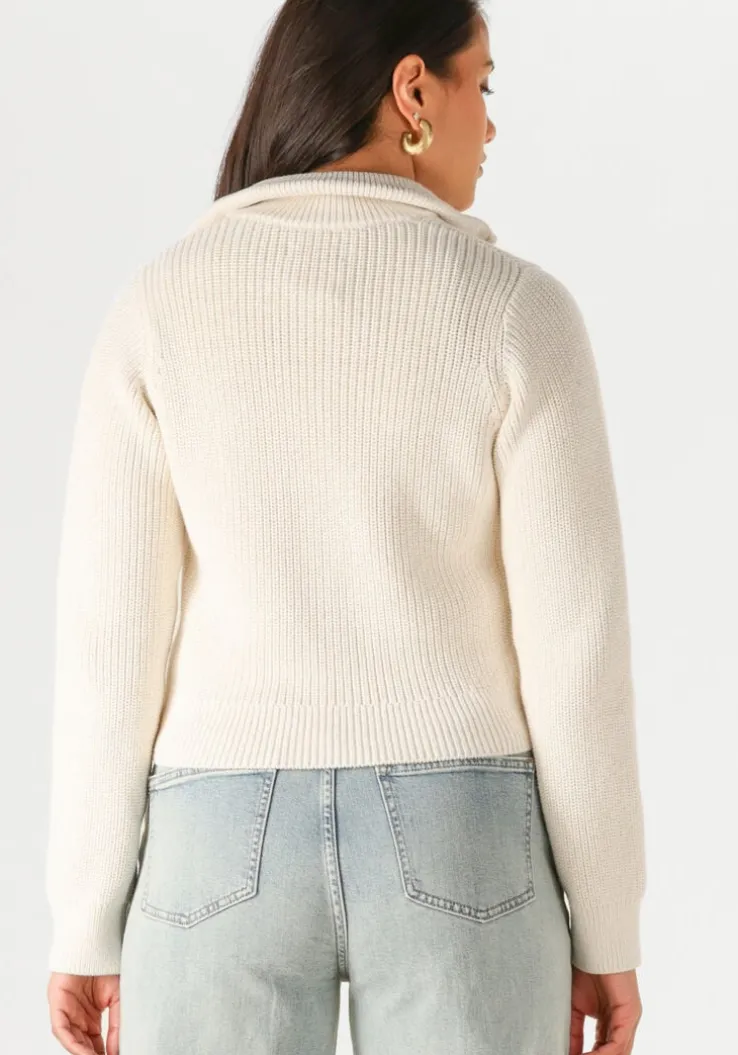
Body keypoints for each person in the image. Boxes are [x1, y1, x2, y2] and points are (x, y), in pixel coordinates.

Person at [45, 2, 646, 1053]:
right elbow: (576, 649)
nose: (491, 123)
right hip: (466, 836)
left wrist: (86, 919)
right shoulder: (518, 313)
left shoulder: (158, 307)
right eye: (483, 84)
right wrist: (606, 920)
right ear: (414, 90)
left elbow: (109, 644)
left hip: (213, 844)